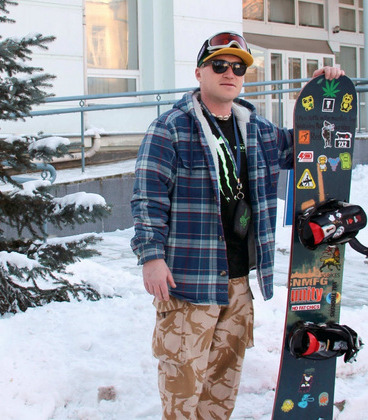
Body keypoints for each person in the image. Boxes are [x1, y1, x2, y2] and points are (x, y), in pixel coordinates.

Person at [130, 31, 345, 420]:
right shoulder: (171, 128)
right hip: (189, 282)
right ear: (199, 72)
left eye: (238, 67)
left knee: (222, 390)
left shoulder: (257, 131)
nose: (229, 73)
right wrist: (151, 256)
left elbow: (307, 146)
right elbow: (148, 197)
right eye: (219, 65)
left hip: (238, 283)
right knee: (183, 388)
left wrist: (318, 95)